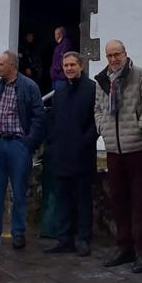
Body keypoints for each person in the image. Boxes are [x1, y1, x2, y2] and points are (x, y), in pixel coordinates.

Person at [94, 39, 142, 271]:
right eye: (109, 55)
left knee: (140, 201)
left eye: (117, 54)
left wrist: (141, 125)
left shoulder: (140, 75)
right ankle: (124, 247)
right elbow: (98, 109)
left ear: (125, 53)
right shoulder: (101, 81)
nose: (113, 59)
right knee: (118, 200)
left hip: (137, 148)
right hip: (113, 149)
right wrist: (103, 128)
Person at [0, 49, 45, 251]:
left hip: (19, 145)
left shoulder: (29, 87)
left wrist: (28, 143)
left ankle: (18, 233)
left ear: (12, 66)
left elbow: (38, 117)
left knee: (19, 192)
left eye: (0, 64)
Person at [44, 51, 97, 257]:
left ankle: (84, 239)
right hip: (61, 153)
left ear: (81, 66)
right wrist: (52, 139)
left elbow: (96, 120)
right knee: (63, 199)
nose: (69, 68)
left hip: (82, 154)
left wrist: (85, 141)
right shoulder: (59, 88)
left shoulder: (92, 88)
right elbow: (53, 117)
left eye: (73, 65)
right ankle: (64, 239)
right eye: (66, 65)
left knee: (84, 199)